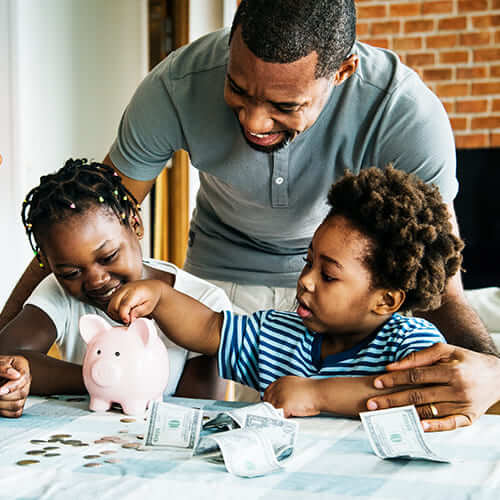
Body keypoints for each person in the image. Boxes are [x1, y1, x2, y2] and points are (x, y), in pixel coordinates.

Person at [1, 0, 499, 429]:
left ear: (342, 71)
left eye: (284, 104)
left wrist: (493, 375)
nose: (255, 121)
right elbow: (88, 217)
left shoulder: (402, 111)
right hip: (221, 284)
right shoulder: (176, 84)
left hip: (350, 288)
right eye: (238, 89)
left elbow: (441, 290)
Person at [106, 167, 462, 425]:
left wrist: (316, 394)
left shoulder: (412, 345)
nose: (306, 281)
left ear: (385, 301)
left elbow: (426, 396)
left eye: (328, 275)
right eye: (308, 263)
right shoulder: (278, 333)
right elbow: (209, 327)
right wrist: (160, 297)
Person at [0, 159, 232, 418]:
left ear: (135, 224)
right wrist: (98, 378)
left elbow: (197, 409)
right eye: (71, 273)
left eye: (108, 256)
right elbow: (5, 356)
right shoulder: (59, 291)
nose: (96, 280)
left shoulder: (205, 301)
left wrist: (110, 382)